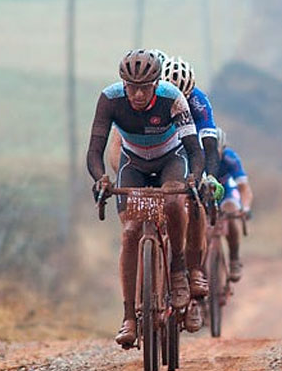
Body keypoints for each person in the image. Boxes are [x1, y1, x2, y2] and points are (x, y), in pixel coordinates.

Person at [87, 49, 206, 347]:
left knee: (174, 201)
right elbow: (94, 151)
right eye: (132, 88)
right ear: (123, 85)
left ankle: (178, 269)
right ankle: (129, 316)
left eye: (144, 88)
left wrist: (194, 177)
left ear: (156, 83)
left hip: (171, 159)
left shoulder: (172, 98)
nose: (138, 95)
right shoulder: (110, 100)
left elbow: (194, 149)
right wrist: (101, 178)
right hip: (134, 164)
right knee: (130, 232)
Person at [107, 53, 222, 333]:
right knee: (133, 229)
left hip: (180, 156)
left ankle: (192, 276)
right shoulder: (142, 101)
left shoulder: (196, 102)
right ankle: (137, 304)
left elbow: (206, 146)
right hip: (142, 160)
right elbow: (117, 150)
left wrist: (206, 177)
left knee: (192, 203)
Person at [215, 128, 253, 282]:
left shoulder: (230, 158)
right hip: (205, 192)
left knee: (231, 209)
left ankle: (234, 259)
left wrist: (244, 208)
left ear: (222, 149)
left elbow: (244, 189)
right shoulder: (197, 155)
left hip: (226, 192)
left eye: (214, 150)